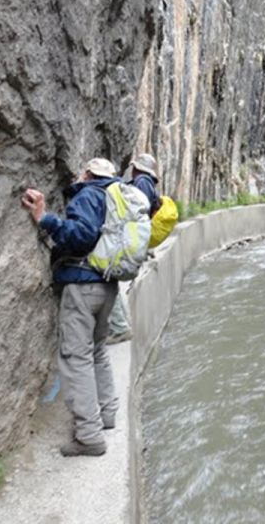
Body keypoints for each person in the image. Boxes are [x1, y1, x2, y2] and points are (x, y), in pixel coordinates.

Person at [20, 157, 120, 457]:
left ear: (88, 174)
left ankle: (89, 436)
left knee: (76, 357)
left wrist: (44, 218)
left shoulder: (89, 193)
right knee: (98, 350)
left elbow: (82, 235)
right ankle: (107, 413)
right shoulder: (116, 198)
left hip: (82, 284)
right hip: (107, 285)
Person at [106, 153, 163, 344]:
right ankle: (121, 325)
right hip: (139, 236)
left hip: (133, 236)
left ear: (137, 167)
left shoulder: (141, 183)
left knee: (110, 276)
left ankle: (120, 327)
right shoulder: (147, 183)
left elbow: (138, 210)